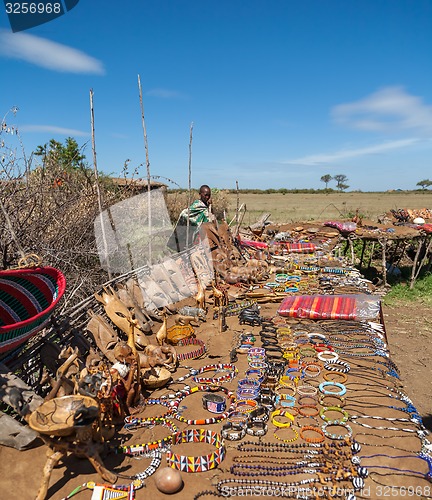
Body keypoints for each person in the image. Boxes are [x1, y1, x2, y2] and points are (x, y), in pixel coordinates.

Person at [168, 185, 216, 252]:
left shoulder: (206, 206)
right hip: (196, 233)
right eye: (205, 195)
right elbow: (185, 213)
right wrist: (195, 223)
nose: (207, 197)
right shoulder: (197, 205)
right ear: (200, 194)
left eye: (209, 195)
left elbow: (209, 218)